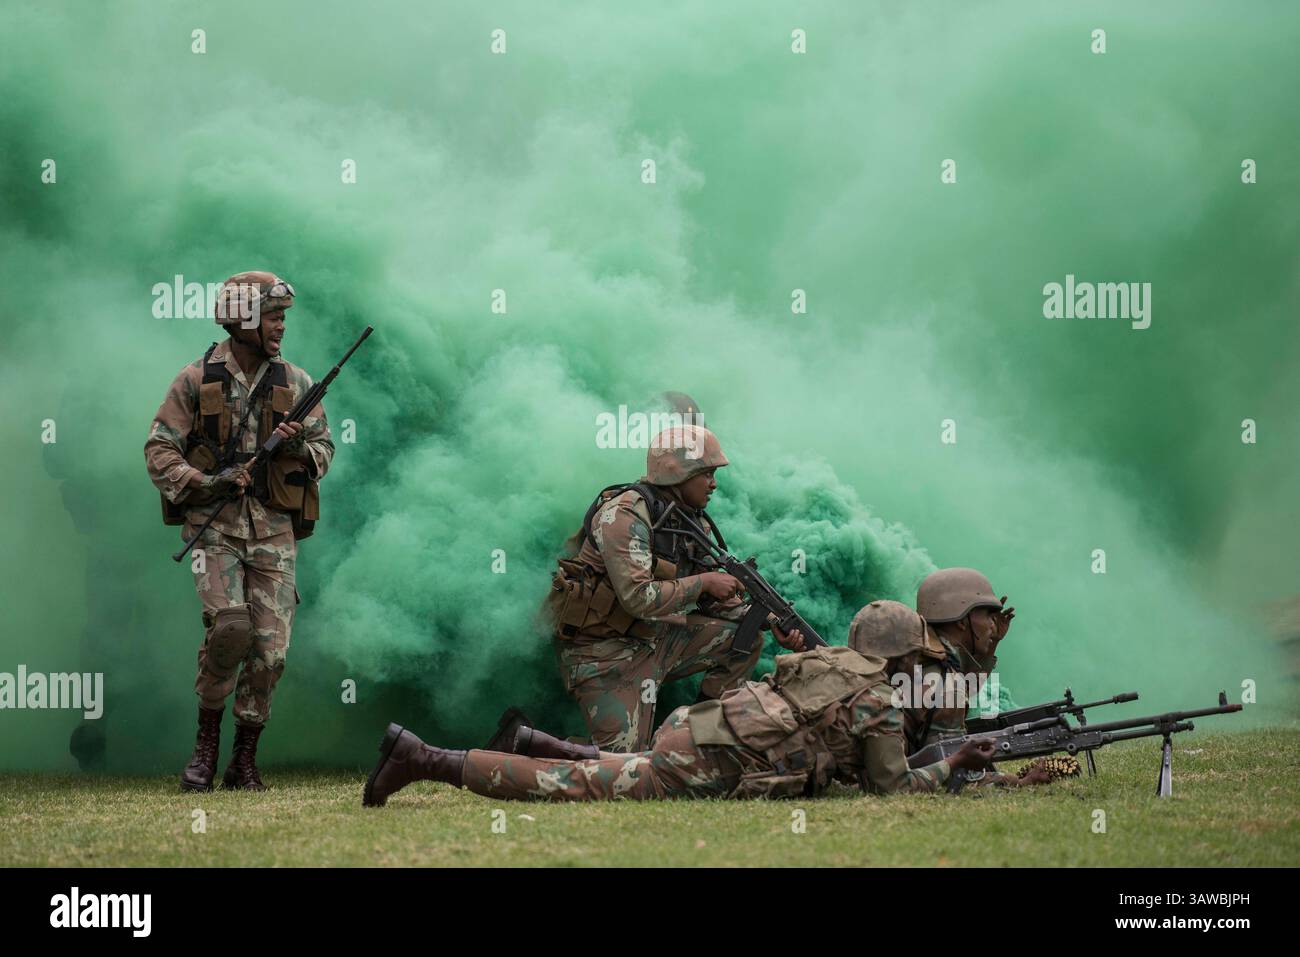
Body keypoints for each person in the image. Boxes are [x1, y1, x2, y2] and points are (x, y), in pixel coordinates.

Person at [361, 601, 998, 806]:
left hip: (696, 727)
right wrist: (958, 760)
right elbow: (891, 788)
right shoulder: (880, 699)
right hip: (710, 760)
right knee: (576, 786)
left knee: (614, 765)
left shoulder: (830, 659)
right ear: (902, 653)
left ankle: (535, 741)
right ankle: (425, 759)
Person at [145, 271, 333, 792]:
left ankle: (243, 760)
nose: (281, 327)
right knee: (230, 630)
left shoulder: (295, 382)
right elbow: (158, 450)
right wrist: (205, 481)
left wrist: (297, 447)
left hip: (273, 531)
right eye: (274, 316)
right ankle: (205, 748)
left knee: (271, 651)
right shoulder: (195, 380)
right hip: (215, 530)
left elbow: (324, 450)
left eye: (283, 317)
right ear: (244, 319)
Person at [544, 424, 802, 752]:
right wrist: (704, 582)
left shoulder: (690, 521)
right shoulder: (624, 513)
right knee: (621, 767)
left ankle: (701, 737)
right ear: (677, 473)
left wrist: (768, 620)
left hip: (655, 639)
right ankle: (528, 747)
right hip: (604, 653)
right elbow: (639, 598)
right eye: (706, 473)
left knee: (746, 637)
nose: (714, 484)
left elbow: (713, 601)